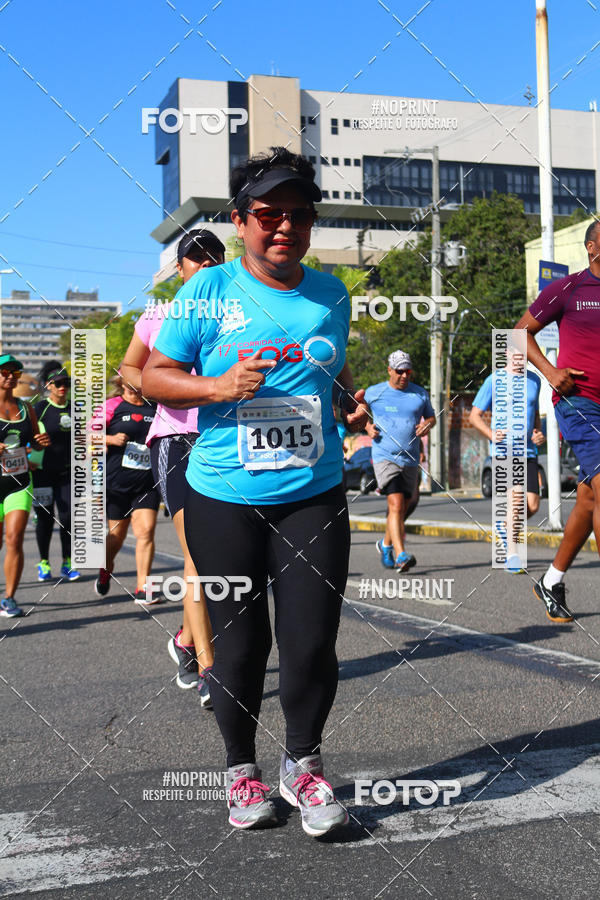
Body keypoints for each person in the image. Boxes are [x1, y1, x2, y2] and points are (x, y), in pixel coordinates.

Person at [143, 146, 367, 835]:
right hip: (222, 496)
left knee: (310, 641)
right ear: (241, 221)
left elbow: (327, 365)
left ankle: (303, 766)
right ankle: (241, 772)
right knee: (241, 646)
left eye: (299, 216)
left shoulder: (332, 294)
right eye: (269, 215)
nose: (285, 227)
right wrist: (214, 387)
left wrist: (344, 401)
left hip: (312, 493)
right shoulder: (206, 293)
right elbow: (152, 375)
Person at [121, 229, 225, 706]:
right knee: (200, 558)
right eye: (194, 258)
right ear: (180, 269)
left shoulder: (240, 316)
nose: (204, 265)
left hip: (229, 439)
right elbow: (129, 368)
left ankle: (186, 637)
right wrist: (152, 384)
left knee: (237, 558)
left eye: (213, 257)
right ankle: (211, 671)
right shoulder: (160, 315)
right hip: (178, 439)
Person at [515, 220, 600, 623]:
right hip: (580, 402)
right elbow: (518, 334)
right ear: (591, 246)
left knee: (588, 498)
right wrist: (550, 372)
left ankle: (551, 580)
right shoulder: (569, 289)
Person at [469, 356, 545, 574]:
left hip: (528, 451)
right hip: (504, 451)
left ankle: (503, 526)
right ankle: (512, 555)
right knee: (517, 498)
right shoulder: (494, 380)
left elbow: (535, 413)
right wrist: (492, 435)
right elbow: (475, 416)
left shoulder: (534, 380)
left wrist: (538, 433)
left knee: (532, 505)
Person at [363, 351, 436, 571]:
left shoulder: (420, 394)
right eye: (399, 371)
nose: (404, 376)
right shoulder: (374, 392)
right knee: (395, 504)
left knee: (406, 506)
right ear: (389, 370)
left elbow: (431, 417)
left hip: (411, 457)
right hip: (385, 457)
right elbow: (359, 412)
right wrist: (367, 426)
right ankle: (401, 554)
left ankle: (385, 544)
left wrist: (428, 424)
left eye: (408, 371)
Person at [93, 376, 160, 603]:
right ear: (121, 381)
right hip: (117, 483)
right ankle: (105, 569)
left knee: (146, 531)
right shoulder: (111, 406)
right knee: (117, 537)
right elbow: (86, 437)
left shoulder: (155, 406)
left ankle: (143, 588)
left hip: (147, 483)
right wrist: (110, 439)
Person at [0, 354, 50, 617]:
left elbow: (32, 442)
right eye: (5, 371)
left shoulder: (25, 408)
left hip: (18, 483)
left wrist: (39, 443)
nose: (10, 376)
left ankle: (9, 598)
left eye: (15, 373)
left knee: (14, 538)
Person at [31, 361, 80, 583]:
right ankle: (44, 562)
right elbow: (27, 437)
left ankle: (67, 562)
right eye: (58, 383)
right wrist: (30, 451)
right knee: (45, 519)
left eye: (66, 383)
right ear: (49, 385)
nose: (63, 387)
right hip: (42, 472)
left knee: (68, 517)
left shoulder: (77, 408)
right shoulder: (40, 409)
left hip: (68, 472)